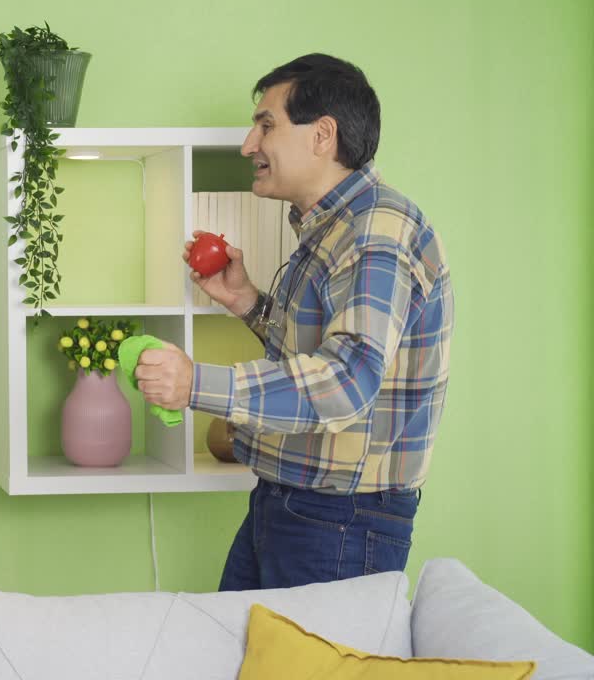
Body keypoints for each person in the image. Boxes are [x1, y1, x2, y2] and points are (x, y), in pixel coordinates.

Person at [133, 54, 454, 590]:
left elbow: (348, 382)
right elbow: (321, 352)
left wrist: (195, 384)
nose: (248, 146)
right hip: (292, 503)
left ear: (322, 135)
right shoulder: (333, 227)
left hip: (341, 522)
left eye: (265, 124)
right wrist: (247, 303)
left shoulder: (376, 230)